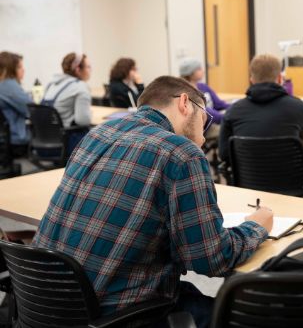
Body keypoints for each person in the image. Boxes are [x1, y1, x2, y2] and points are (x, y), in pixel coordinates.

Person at [32, 76, 273, 328]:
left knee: (188, 290)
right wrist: (257, 226)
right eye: (204, 119)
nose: (202, 138)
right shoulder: (181, 153)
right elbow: (212, 259)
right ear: (184, 103)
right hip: (113, 314)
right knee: (243, 315)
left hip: (45, 306)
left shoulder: (97, 134)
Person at [219, 54, 303, 163]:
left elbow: (224, 154)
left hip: (246, 179)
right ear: (280, 78)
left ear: (251, 79)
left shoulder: (233, 110)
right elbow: (301, 141)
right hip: (289, 178)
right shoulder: (298, 107)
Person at [179, 58, 229, 138]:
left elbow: (219, 104)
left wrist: (236, 106)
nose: (203, 71)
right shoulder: (185, 92)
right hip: (202, 129)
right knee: (232, 129)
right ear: (190, 73)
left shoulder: (203, 87)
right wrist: (228, 118)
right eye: (199, 69)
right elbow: (205, 111)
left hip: (215, 121)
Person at [43, 52, 92, 128]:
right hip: (67, 136)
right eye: (88, 67)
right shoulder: (81, 86)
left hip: (44, 136)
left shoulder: (51, 84)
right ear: (78, 70)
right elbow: (83, 121)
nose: (90, 70)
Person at [0, 52, 32, 157]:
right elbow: (32, 111)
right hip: (16, 140)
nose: (23, 70)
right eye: (19, 67)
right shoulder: (9, 86)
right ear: (10, 69)